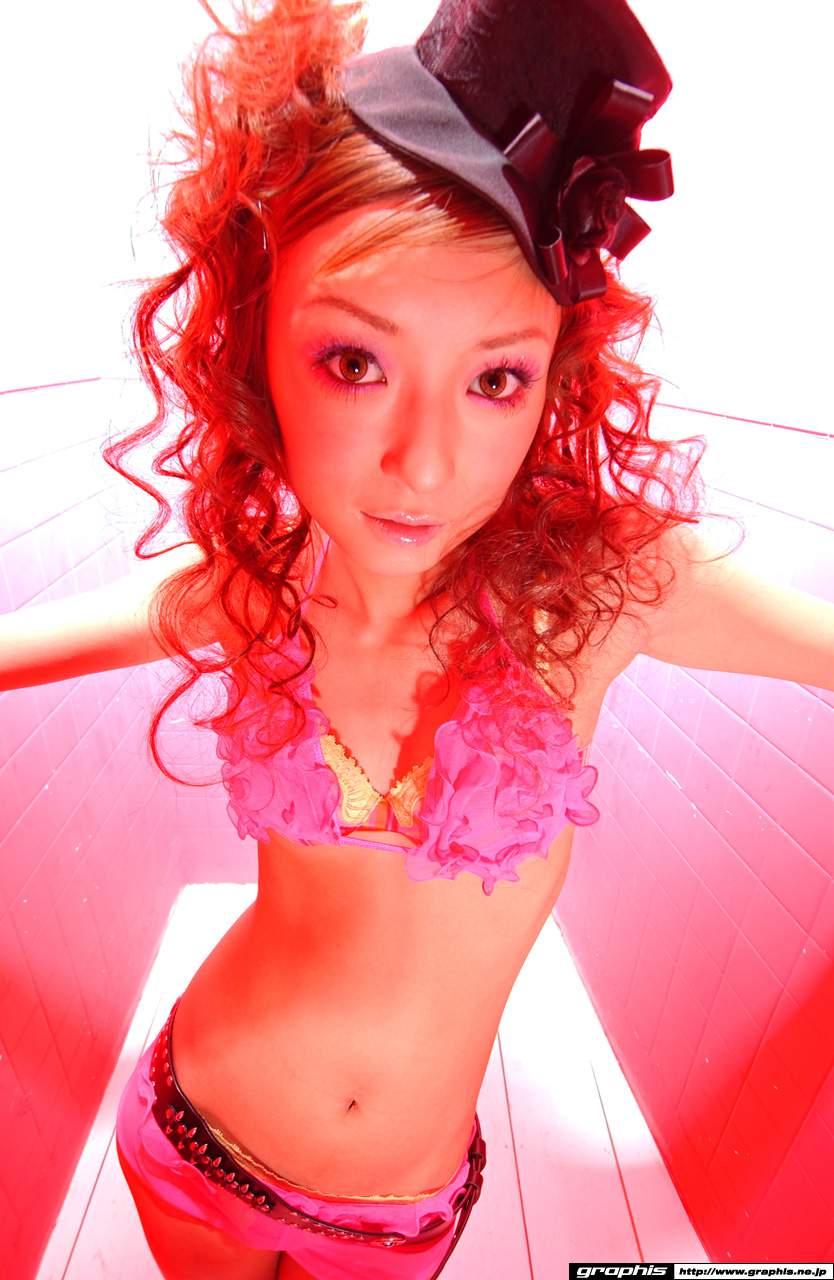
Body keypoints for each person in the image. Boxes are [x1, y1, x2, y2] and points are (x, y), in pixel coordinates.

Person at [3, 1, 829, 1278]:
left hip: (395, 1210)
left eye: (495, 378)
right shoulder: (256, 590)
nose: (427, 465)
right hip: (194, 1132)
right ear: (258, 354)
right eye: (354, 362)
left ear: (552, 378)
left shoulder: (607, 589)